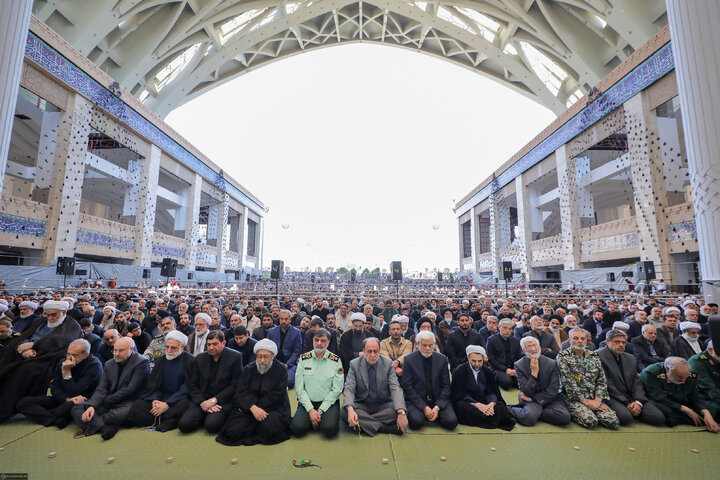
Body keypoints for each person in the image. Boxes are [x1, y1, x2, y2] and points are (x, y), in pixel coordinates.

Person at [0, 300, 82, 423]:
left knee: (25, 371)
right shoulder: (42, 321)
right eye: (47, 314)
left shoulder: (72, 325)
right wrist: (22, 349)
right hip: (28, 354)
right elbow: (25, 335)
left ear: (64, 312)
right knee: (5, 365)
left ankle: (5, 410)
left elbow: (60, 342)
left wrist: (34, 345)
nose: (50, 318)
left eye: (53, 315)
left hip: (49, 358)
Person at [70, 337, 151, 440]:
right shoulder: (109, 364)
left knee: (117, 415)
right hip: (109, 399)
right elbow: (101, 388)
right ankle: (105, 426)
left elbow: (131, 389)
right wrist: (92, 406)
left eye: (121, 350)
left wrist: (107, 401)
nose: (116, 353)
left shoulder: (142, 362)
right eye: (115, 350)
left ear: (131, 349)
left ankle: (93, 424)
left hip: (128, 401)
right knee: (76, 408)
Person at [215, 339, 291, 446]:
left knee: (271, 428)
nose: (262, 360)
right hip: (249, 408)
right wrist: (253, 408)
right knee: (233, 431)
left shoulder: (281, 370)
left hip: (273, 408)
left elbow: (277, 395)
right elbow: (241, 392)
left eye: (266, 357)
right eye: (259, 356)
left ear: (273, 356)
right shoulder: (248, 369)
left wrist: (258, 409)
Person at [16, 338, 102, 429]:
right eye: (68, 353)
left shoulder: (94, 366)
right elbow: (55, 387)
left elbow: (75, 392)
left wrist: (66, 372)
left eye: (74, 355)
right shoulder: (63, 362)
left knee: (68, 406)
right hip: (64, 399)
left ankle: (49, 415)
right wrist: (65, 399)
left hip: (82, 400)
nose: (69, 358)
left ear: (85, 355)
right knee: (23, 403)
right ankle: (55, 419)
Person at [126, 331, 194, 432]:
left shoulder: (190, 361)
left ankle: (160, 418)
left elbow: (187, 388)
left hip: (178, 399)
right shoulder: (162, 360)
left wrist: (167, 404)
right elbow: (153, 384)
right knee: (138, 405)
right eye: (167, 347)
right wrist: (154, 400)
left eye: (173, 348)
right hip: (161, 397)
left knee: (185, 405)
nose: (169, 350)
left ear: (182, 347)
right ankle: (165, 419)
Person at [179, 331, 243, 434]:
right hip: (202, 400)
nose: (211, 347)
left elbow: (235, 385)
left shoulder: (235, 357)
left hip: (223, 401)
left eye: (215, 344)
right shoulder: (200, 358)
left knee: (212, 426)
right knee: (184, 426)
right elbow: (194, 385)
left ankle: (208, 417)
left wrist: (214, 401)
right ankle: (205, 415)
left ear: (224, 343)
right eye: (208, 344)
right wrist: (203, 403)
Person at [341, 337, 408, 436]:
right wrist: (350, 410)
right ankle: (383, 427)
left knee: (399, 409)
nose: (373, 355)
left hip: (382, 404)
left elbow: (395, 387)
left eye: (375, 351)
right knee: (344, 411)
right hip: (362, 404)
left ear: (379, 351)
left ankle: (365, 423)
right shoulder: (354, 364)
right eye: (369, 351)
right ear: (363, 351)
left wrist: (401, 412)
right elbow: (349, 388)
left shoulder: (387, 363)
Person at [597, 330, 665, 426]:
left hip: (632, 397)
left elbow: (636, 382)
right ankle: (631, 411)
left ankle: (635, 409)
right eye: (617, 342)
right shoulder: (598, 356)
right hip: (612, 397)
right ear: (607, 342)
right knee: (626, 418)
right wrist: (626, 403)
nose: (621, 345)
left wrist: (638, 401)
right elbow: (606, 384)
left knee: (658, 418)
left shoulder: (630, 358)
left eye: (623, 342)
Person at [557, 328, 619, 430]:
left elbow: (602, 380)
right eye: (576, 338)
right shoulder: (563, 357)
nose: (580, 341)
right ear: (569, 340)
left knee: (613, 422)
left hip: (594, 397)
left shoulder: (594, 356)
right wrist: (586, 403)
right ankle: (580, 412)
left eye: (582, 338)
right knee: (591, 421)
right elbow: (569, 383)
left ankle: (591, 410)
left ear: (587, 340)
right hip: (575, 399)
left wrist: (598, 401)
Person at [641, 357, 719, 431]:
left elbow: (694, 395)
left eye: (686, 377)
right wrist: (687, 410)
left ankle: (677, 420)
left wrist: (706, 413)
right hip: (661, 401)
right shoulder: (651, 373)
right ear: (668, 369)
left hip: (681, 400)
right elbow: (660, 398)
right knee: (659, 409)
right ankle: (685, 418)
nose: (683, 381)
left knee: (711, 410)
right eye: (679, 377)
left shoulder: (691, 373)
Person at [399, 331, 457, 431]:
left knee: (451, 422)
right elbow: (408, 387)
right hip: (417, 401)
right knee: (415, 423)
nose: (427, 348)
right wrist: (424, 407)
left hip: (438, 400)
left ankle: (434, 414)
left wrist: (437, 407)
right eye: (424, 345)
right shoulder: (409, 360)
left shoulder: (442, 359)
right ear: (418, 344)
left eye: (430, 345)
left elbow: (446, 386)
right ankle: (428, 414)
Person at [292, 329, 344, 438]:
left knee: (330, 431)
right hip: (307, 402)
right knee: (297, 429)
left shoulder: (336, 360)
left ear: (328, 342)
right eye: (317, 340)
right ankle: (313, 419)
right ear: (313, 341)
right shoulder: (304, 359)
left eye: (323, 341)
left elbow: (337, 389)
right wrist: (311, 410)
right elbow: (299, 388)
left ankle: (318, 419)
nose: (319, 343)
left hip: (328, 404)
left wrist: (320, 411)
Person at [450, 345, 515, 430]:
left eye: (480, 361)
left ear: (484, 359)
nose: (477, 364)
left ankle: (486, 417)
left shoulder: (488, 371)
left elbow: (492, 391)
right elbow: (459, 394)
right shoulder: (460, 370)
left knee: (501, 408)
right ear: (468, 357)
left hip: (485, 401)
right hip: (469, 402)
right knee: (461, 407)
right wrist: (478, 405)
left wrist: (491, 404)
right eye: (473, 361)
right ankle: (491, 419)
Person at [510, 336, 570, 426]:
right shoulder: (519, 365)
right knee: (529, 418)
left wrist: (535, 399)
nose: (533, 349)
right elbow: (526, 391)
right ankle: (510, 408)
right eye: (529, 347)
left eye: (535, 346)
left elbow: (554, 389)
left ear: (540, 348)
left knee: (564, 417)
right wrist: (534, 374)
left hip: (548, 398)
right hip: (528, 397)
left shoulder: (551, 363)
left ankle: (536, 412)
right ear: (524, 351)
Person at [267, 309, 303, 388]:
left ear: (290, 319)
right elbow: (268, 350)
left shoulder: (296, 332)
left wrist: (287, 364)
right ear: (279, 319)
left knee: (289, 382)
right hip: (274, 362)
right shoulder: (271, 331)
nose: (283, 321)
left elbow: (297, 351)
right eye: (281, 319)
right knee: (267, 380)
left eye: (286, 319)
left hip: (289, 363)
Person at [486, 319, 523, 390]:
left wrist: (516, 369)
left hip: (513, 367)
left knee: (522, 382)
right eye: (505, 328)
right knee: (507, 383)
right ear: (499, 327)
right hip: (498, 368)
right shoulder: (491, 340)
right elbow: (491, 358)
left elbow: (519, 356)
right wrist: (505, 369)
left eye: (510, 329)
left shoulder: (516, 340)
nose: (507, 331)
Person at [688, 341, 720, 412]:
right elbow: (710, 389)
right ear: (710, 350)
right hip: (703, 396)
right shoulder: (697, 362)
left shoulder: (717, 358)